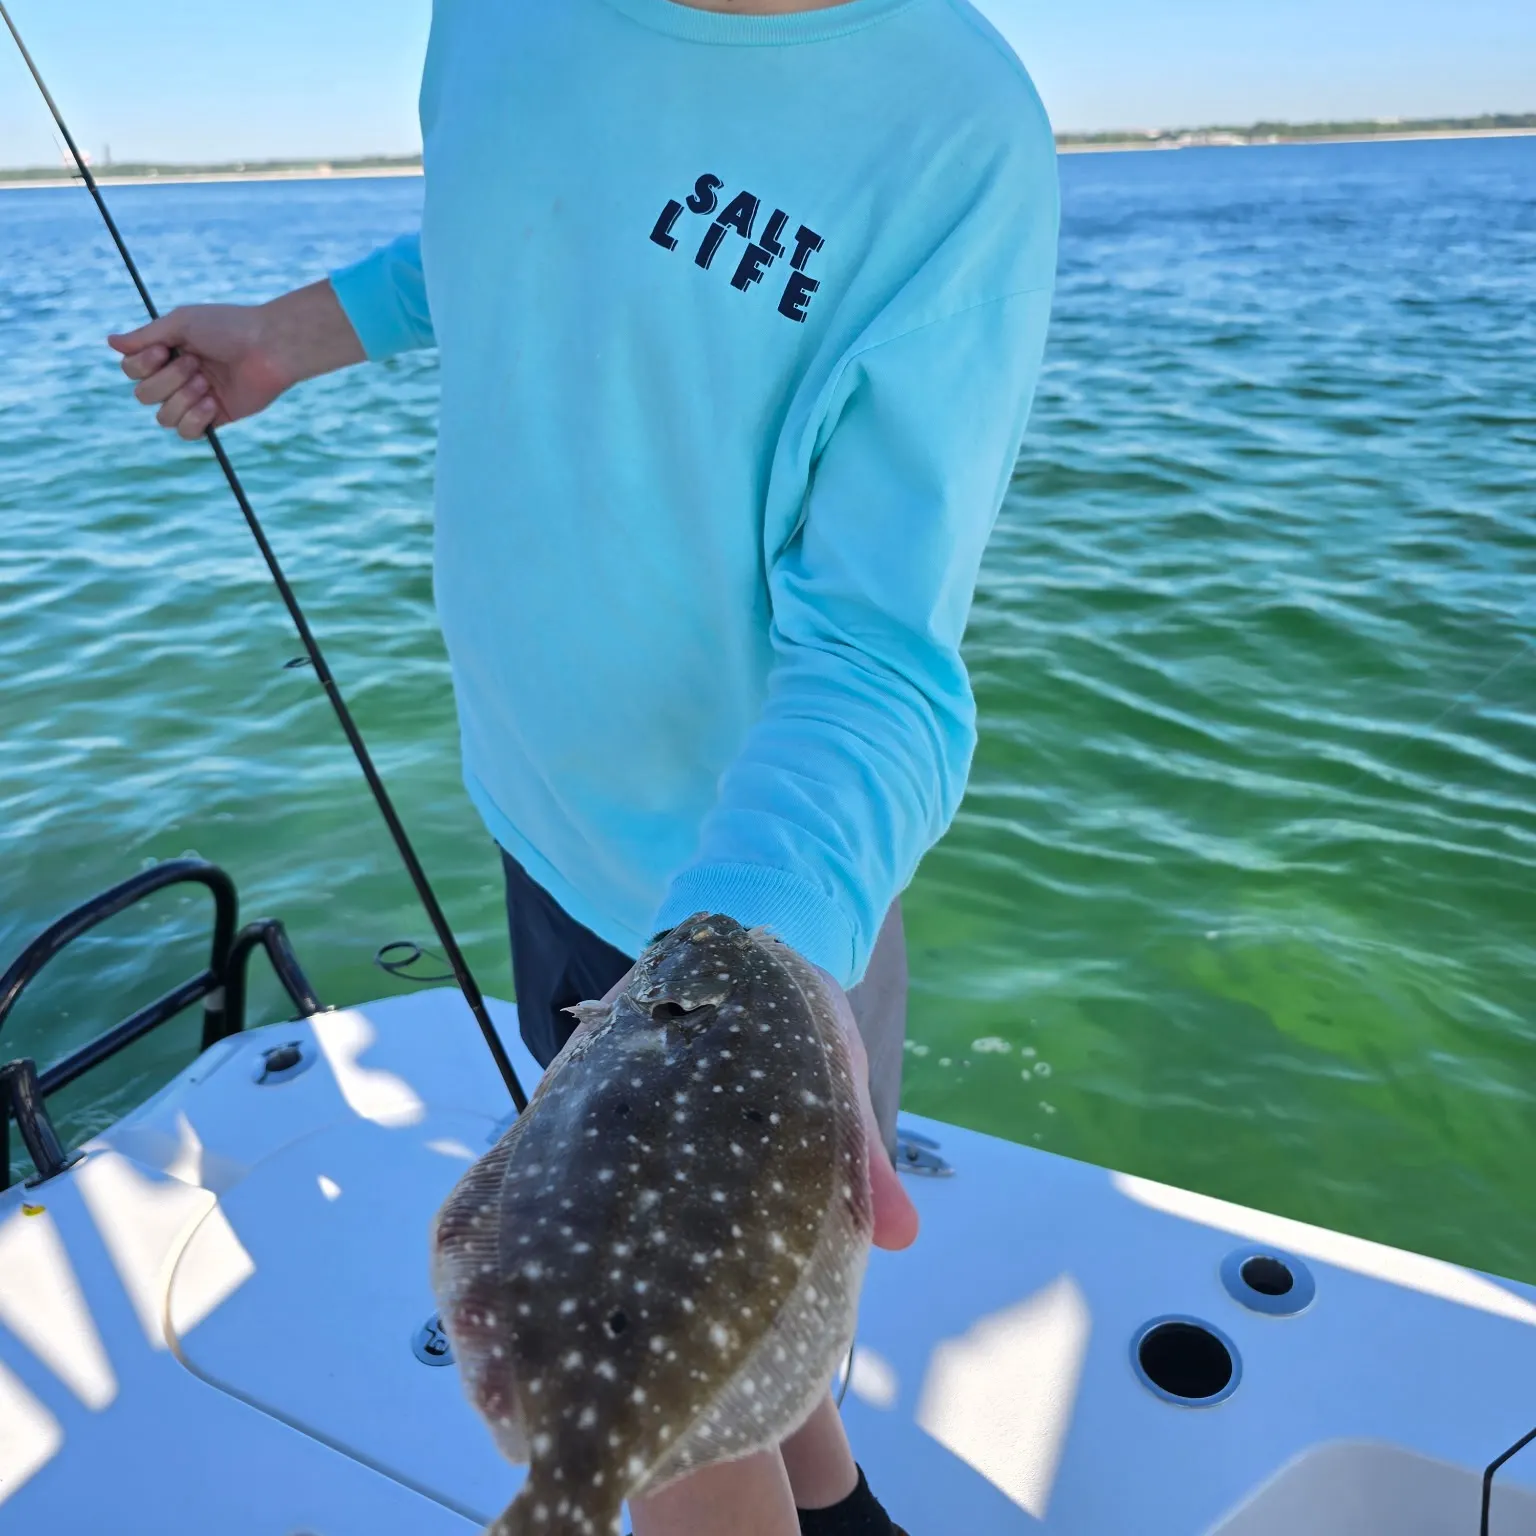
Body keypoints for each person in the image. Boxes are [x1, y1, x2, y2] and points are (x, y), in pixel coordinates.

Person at [110, 0, 1059, 1529]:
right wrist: (292, 334)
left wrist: (759, 942)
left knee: (679, 1407)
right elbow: (520, 221)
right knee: (717, 1320)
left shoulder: (954, 137)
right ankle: (837, 1501)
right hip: (537, 810)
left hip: (762, 881)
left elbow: (884, 656)